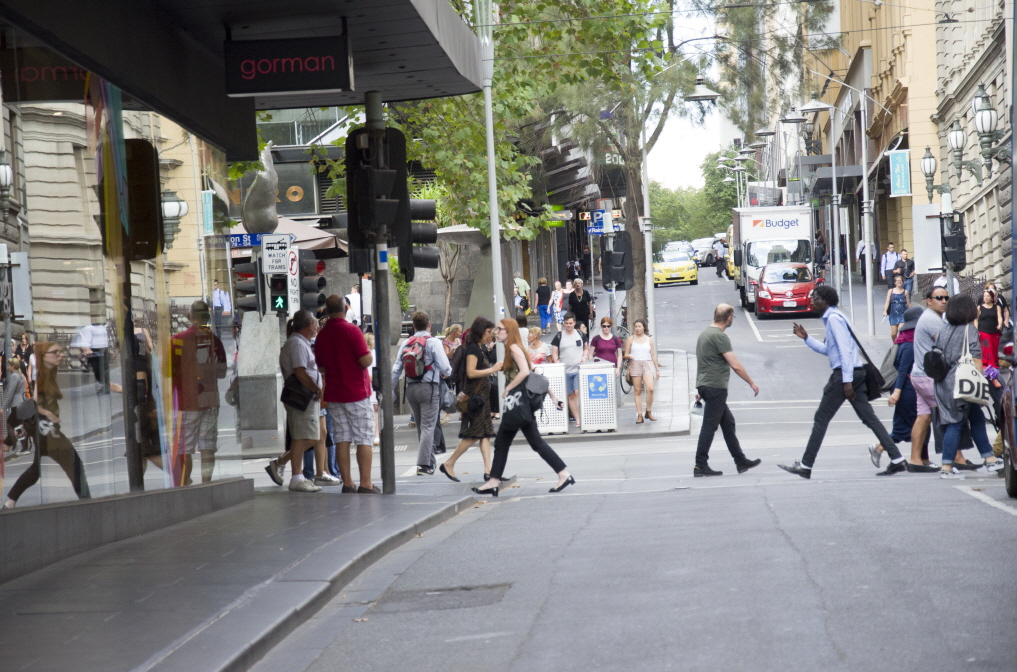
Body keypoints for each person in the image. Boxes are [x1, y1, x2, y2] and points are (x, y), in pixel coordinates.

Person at [779, 285, 907, 478]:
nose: (812, 300)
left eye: (815, 297)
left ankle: (806, 465)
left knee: (821, 418)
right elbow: (829, 350)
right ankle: (897, 460)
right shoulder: (835, 317)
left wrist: (846, 382)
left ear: (826, 300)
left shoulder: (833, 319)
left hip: (845, 376)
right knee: (870, 419)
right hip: (855, 374)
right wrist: (806, 338)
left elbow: (846, 351)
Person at [472, 319, 573, 496]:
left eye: (501, 329)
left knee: (504, 442)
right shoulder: (516, 348)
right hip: (521, 405)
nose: (497, 332)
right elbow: (536, 372)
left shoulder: (513, 348)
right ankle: (563, 474)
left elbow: (526, 372)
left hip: (518, 403)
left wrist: (508, 389)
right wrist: (553, 395)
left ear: (509, 331)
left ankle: (494, 481)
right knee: (532, 443)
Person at [4, 342, 92, 508]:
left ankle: (9, 503)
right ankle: (88, 504)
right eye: (55, 353)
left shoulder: (51, 370)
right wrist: (50, 414)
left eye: (61, 352)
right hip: (46, 427)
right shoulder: (43, 373)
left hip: (45, 426)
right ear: (44, 356)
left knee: (36, 470)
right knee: (74, 464)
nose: (61, 355)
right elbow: (36, 401)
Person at [935, 294, 1005, 478]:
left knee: (976, 418)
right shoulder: (969, 330)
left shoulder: (944, 330)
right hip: (964, 382)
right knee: (956, 423)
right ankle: (947, 466)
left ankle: (989, 458)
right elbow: (976, 357)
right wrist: (981, 381)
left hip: (945, 382)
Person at [315, 295, 380, 493]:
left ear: (327, 310)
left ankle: (348, 483)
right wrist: (368, 354)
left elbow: (321, 366)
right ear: (345, 308)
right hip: (356, 392)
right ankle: (366, 483)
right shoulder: (352, 331)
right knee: (364, 437)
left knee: (342, 437)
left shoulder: (322, 335)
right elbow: (365, 361)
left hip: (334, 393)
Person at [693, 304, 762, 477]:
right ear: (729, 318)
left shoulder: (704, 334)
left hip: (706, 385)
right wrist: (751, 382)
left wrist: (701, 388)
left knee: (728, 423)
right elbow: (735, 365)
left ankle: (740, 461)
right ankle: (700, 465)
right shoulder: (719, 337)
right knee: (709, 426)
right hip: (715, 387)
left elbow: (703, 362)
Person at [871, 307, 937, 471]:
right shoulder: (910, 342)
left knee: (911, 425)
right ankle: (881, 448)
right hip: (908, 389)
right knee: (917, 424)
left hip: (909, 388)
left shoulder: (904, 338)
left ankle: (922, 458)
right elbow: (903, 370)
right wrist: (897, 392)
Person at [440, 317, 503, 482]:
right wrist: (492, 369)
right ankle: (449, 463)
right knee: (474, 434)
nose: (491, 334)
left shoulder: (479, 348)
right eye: (489, 332)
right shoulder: (474, 349)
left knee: (484, 435)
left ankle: (490, 472)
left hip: (481, 398)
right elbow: (471, 372)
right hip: (476, 398)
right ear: (480, 332)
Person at [171, 301, 227, 485]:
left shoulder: (177, 340)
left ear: (190, 317)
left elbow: (169, 372)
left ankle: (184, 484)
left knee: (184, 447)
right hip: (209, 399)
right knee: (207, 446)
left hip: (186, 400)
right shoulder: (215, 341)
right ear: (208, 318)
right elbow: (222, 372)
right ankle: (206, 484)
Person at [392, 310, 451, 475]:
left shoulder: (406, 343)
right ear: (429, 325)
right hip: (429, 388)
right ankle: (424, 465)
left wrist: (390, 389)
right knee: (428, 427)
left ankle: (429, 462)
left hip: (411, 389)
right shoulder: (433, 342)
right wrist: (447, 373)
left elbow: (396, 369)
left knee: (421, 427)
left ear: (413, 326)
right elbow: (446, 368)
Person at [277, 310, 324, 493]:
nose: (317, 328)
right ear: (310, 326)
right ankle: (296, 477)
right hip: (302, 396)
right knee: (302, 437)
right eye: (315, 324)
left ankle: (283, 465)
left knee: (310, 436)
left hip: (306, 397)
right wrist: (316, 389)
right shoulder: (297, 344)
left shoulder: (299, 343)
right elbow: (300, 371)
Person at [551, 313, 588, 429]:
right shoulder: (559, 336)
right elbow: (554, 352)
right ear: (563, 323)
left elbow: (586, 348)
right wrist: (557, 364)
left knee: (578, 392)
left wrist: (584, 357)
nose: (568, 325)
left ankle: (583, 416)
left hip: (578, 369)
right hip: (565, 371)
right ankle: (577, 419)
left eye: (570, 323)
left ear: (574, 323)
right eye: (566, 323)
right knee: (570, 396)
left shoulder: (580, 334)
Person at [624, 319, 661, 423]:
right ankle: (639, 415)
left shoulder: (649, 340)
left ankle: (648, 411)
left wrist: (657, 369)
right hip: (635, 363)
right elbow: (625, 354)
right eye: (636, 326)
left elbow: (653, 355)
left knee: (650, 388)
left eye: (639, 326)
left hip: (647, 364)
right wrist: (629, 356)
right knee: (637, 390)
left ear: (644, 327)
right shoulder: (630, 339)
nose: (637, 328)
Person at [73, 321, 110, 394]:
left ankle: (106, 385)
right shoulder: (97, 329)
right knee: (99, 369)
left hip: (97, 351)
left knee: (99, 369)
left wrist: (86, 353)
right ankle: (105, 385)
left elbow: (87, 345)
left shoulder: (88, 329)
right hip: (99, 351)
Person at [2, 357, 26, 453]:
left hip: (17, 404)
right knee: (19, 425)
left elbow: (10, 394)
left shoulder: (14, 377)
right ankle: (13, 445)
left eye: (9, 365)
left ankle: (15, 446)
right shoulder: (20, 375)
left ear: (13, 366)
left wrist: (3, 407)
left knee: (10, 424)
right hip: (21, 403)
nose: (7, 368)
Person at [978, 289, 1003, 369]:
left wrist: (1000, 324)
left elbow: (1000, 317)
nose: (986, 298)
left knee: (994, 348)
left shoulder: (997, 307)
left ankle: (994, 362)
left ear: (992, 298)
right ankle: (988, 364)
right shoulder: (979, 307)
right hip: (983, 330)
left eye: (988, 296)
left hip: (994, 330)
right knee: (987, 347)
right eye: (984, 296)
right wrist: (976, 329)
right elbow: (975, 319)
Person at [882, 275, 910, 340]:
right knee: (894, 333)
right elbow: (887, 301)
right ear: (895, 282)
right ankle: (895, 344)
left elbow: (908, 303)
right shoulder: (891, 291)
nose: (898, 282)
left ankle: (900, 344)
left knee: (901, 330)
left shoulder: (905, 292)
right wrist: (885, 311)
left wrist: (911, 312)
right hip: (893, 314)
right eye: (897, 281)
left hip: (902, 313)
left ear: (902, 282)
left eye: (900, 280)